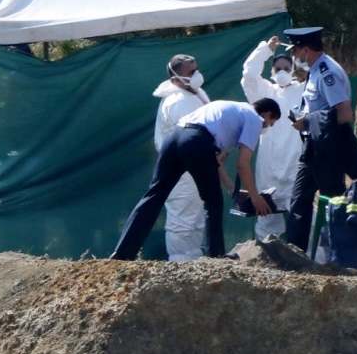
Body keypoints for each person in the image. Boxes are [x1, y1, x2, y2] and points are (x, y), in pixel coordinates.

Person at [111, 98, 279, 260]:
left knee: (154, 195)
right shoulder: (254, 118)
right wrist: (255, 197)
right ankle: (216, 255)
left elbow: (216, 162)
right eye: (269, 123)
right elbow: (243, 164)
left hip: (175, 137)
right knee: (213, 202)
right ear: (266, 114)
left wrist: (232, 190)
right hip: (197, 141)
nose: (266, 127)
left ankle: (122, 253)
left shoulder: (231, 110)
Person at [282, 25, 357, 252]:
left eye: (295, 51)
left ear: (305, 50)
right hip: (313, 145)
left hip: (328, 147)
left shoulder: (327, 72)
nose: (293, 56)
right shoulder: (315, 70)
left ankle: (343, 254)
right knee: (299, 202)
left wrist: (308, 121)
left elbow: (344, 114)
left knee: (334, 201)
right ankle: (295, 256)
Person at [240, 38, 304, 240]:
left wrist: (303, 60)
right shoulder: (265, 91)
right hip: (269, 164)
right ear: (272, 70)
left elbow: (318, 76)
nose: (282, 71)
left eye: (287, 67)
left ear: (294, 68)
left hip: (295, 162)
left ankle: (312, 263)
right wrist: (265, 50)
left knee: (302, 213)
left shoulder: (303, 90)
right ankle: (266, 261)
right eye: (278, 68)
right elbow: (249, 75)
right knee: (267, 216)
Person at [150, 53, 211, 263]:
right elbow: (190, 136)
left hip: (197, 167)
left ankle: (195, 262)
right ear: (176, 77)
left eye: (197, 69)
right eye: (191, 72)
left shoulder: (196, 94)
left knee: (196, 218)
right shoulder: (176, 101)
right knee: (182, 218)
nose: (197, 75)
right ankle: (179, 265)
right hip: (181, 170)